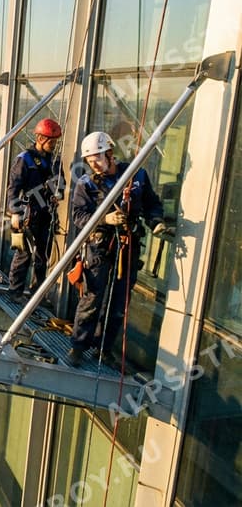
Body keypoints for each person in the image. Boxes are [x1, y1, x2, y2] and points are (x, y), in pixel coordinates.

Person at [67, 132, 169, 366]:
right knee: (92, 298)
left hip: (127, 246)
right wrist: (105, 219)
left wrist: (156, 220)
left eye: (97, 158)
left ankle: (104, 348)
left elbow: (151, 203)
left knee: (118, 302)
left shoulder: (136, 176)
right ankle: (78, 346)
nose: (94, 164)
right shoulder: (87, 183)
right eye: (90, 160)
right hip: (100, 247)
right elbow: (79, 216)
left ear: (110, 154)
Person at [6, 118, 65, 299]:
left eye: (55, 142)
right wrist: (15, 213)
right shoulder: (25, 160)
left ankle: (36, 295)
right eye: (51, 142)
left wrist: (58, 193)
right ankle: (15, 292)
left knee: (42, 256)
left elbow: (61, 183)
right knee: (24, 253)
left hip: (46, 213)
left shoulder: (54, 161)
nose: (54, 145)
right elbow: (13, 188)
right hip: (28, 213)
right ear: (40, 139)